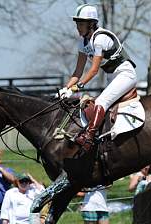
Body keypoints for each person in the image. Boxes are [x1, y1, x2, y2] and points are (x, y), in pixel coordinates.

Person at [59, 4, 137, 153]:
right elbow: (78, 71)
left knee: (101, 102)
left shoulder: (100, 38)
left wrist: (77, 87)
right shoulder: (82, 43)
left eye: (81, 24)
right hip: (112, 76)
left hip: (125, 74)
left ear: (91, 24)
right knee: (98, 106)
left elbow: (94, 70)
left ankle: (88, 138)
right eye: (77, 24)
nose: (78, 27)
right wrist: (66, 88)